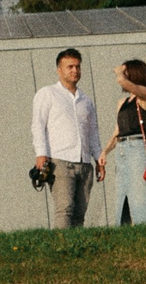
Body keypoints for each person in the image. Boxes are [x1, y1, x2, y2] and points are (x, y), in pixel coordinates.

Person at [31, 48, 98, 229]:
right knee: (65, 208)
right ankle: (61, 248)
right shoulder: (48, 94)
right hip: (61, 161)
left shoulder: (86, 100)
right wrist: (41, 154)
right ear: (58, 70)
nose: (75, 70)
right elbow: (38, 125)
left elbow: (92, 132)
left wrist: (98, 158)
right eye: (70, 67)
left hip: (84, 162)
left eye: (77, 66)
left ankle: (76, 249)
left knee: (80, 212)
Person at [95, 59, 146, 226]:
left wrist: (120, 71)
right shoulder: (122, 103)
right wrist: (105, 151)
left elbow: (121, 80)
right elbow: (118, 131)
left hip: (137, 147)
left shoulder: (145, 95)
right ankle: (125, 228)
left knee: (140, 195)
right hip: (123, 149)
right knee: (122, 195)